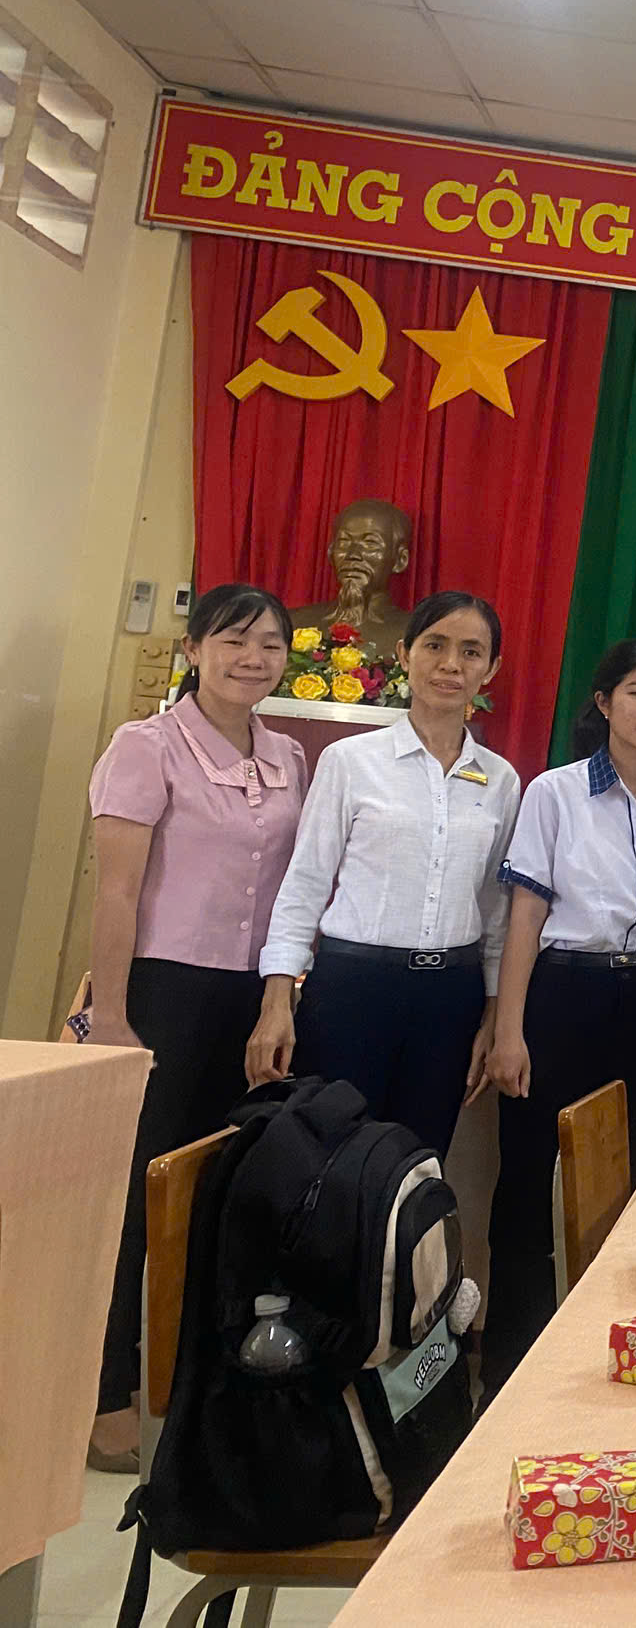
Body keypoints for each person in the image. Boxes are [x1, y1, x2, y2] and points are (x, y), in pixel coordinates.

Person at [84, 583, 305, 1473]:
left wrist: (280, 995)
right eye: (233, 640)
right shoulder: (146, 746)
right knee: (140, 1191)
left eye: (270, 644)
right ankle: (107, 1393)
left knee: (218, 1190)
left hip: (251, 998)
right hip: (163, 992)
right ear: (194, 648)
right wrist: (110, 1015)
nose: (253, 658)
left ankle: (187, 1381)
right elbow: (115, 892)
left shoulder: (287, 754)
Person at [477, 638, 636, 1389]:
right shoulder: (556, 792)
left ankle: (597, 1364)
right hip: (561, 996)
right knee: (528, 1179)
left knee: (626, 1181)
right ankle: (510, 1368)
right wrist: (509, 1030)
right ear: (604, 702)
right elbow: (526, 915)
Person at [253, 591, 518, 1156]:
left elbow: (496, 908)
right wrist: (276, 1000)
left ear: (491, 669)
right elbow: (305, 882)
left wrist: (493, 1012)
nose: (451, 664)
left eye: (471, 652)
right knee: (326, 1160)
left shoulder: (501, 780)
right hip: (353, 988)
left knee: (416, 1164)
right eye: (435, 645)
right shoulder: (351, 761)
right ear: (403, 654)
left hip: (451, 997)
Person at [287, 497, 415, 660]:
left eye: (370, 543)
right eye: (344, 542)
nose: (353, 555)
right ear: (330, 553)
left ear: (400, 560)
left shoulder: (415, 632)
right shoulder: (293, 623)